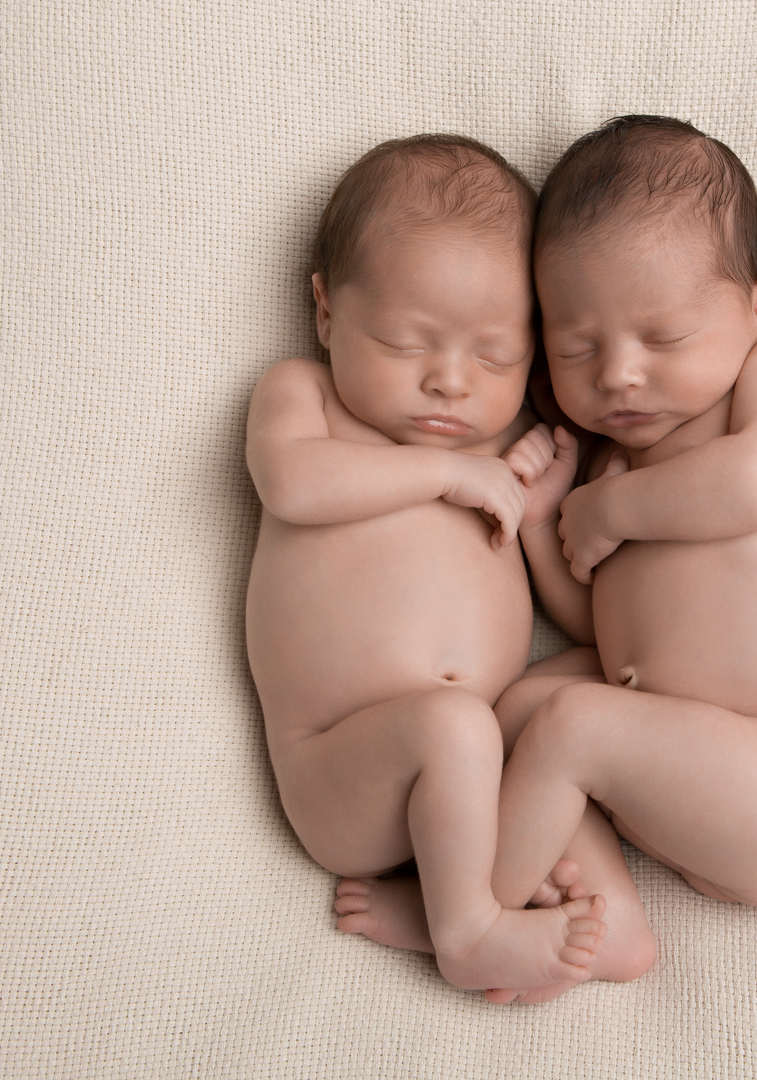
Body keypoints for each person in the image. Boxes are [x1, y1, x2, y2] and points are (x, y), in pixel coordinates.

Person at [489, 116, 757, 999]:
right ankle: (609, 915)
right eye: (576, 349)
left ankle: (478, 918)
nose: (619, 375)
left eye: (662, 338)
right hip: (681, 766)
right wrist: (547, 521)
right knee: (525, 707)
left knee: (573, 730)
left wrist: (613, 509)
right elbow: (603, 627)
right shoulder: (613, 464)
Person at [244, 134, 609, 992]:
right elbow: (291, 483)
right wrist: (449, 474)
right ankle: (469, 929)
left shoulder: (506, 450)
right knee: (453, 725)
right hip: (348, 776)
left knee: (581, 698)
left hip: (477, 786)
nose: (450, 382)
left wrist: (537, 507)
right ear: (328, 311)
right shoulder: (308, 398)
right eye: (409, 343)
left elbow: (563, 609)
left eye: (493, 356)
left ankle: (607, 911)